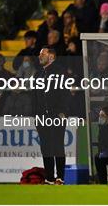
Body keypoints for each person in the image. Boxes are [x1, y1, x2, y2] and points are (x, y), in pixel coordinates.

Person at [34, 47, 69, 184]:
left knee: (58, 146)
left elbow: (66, 94)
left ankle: (60, 177)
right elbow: (35, 97)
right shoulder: (38, 74)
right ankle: (49, 178)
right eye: (39, 53)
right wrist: (35, 115)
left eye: (42, 53)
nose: (39, 56)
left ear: (51, 56)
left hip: (56, 116)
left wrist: (63, 112)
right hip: (42, 117)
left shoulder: (61, 72)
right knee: (46, 147)